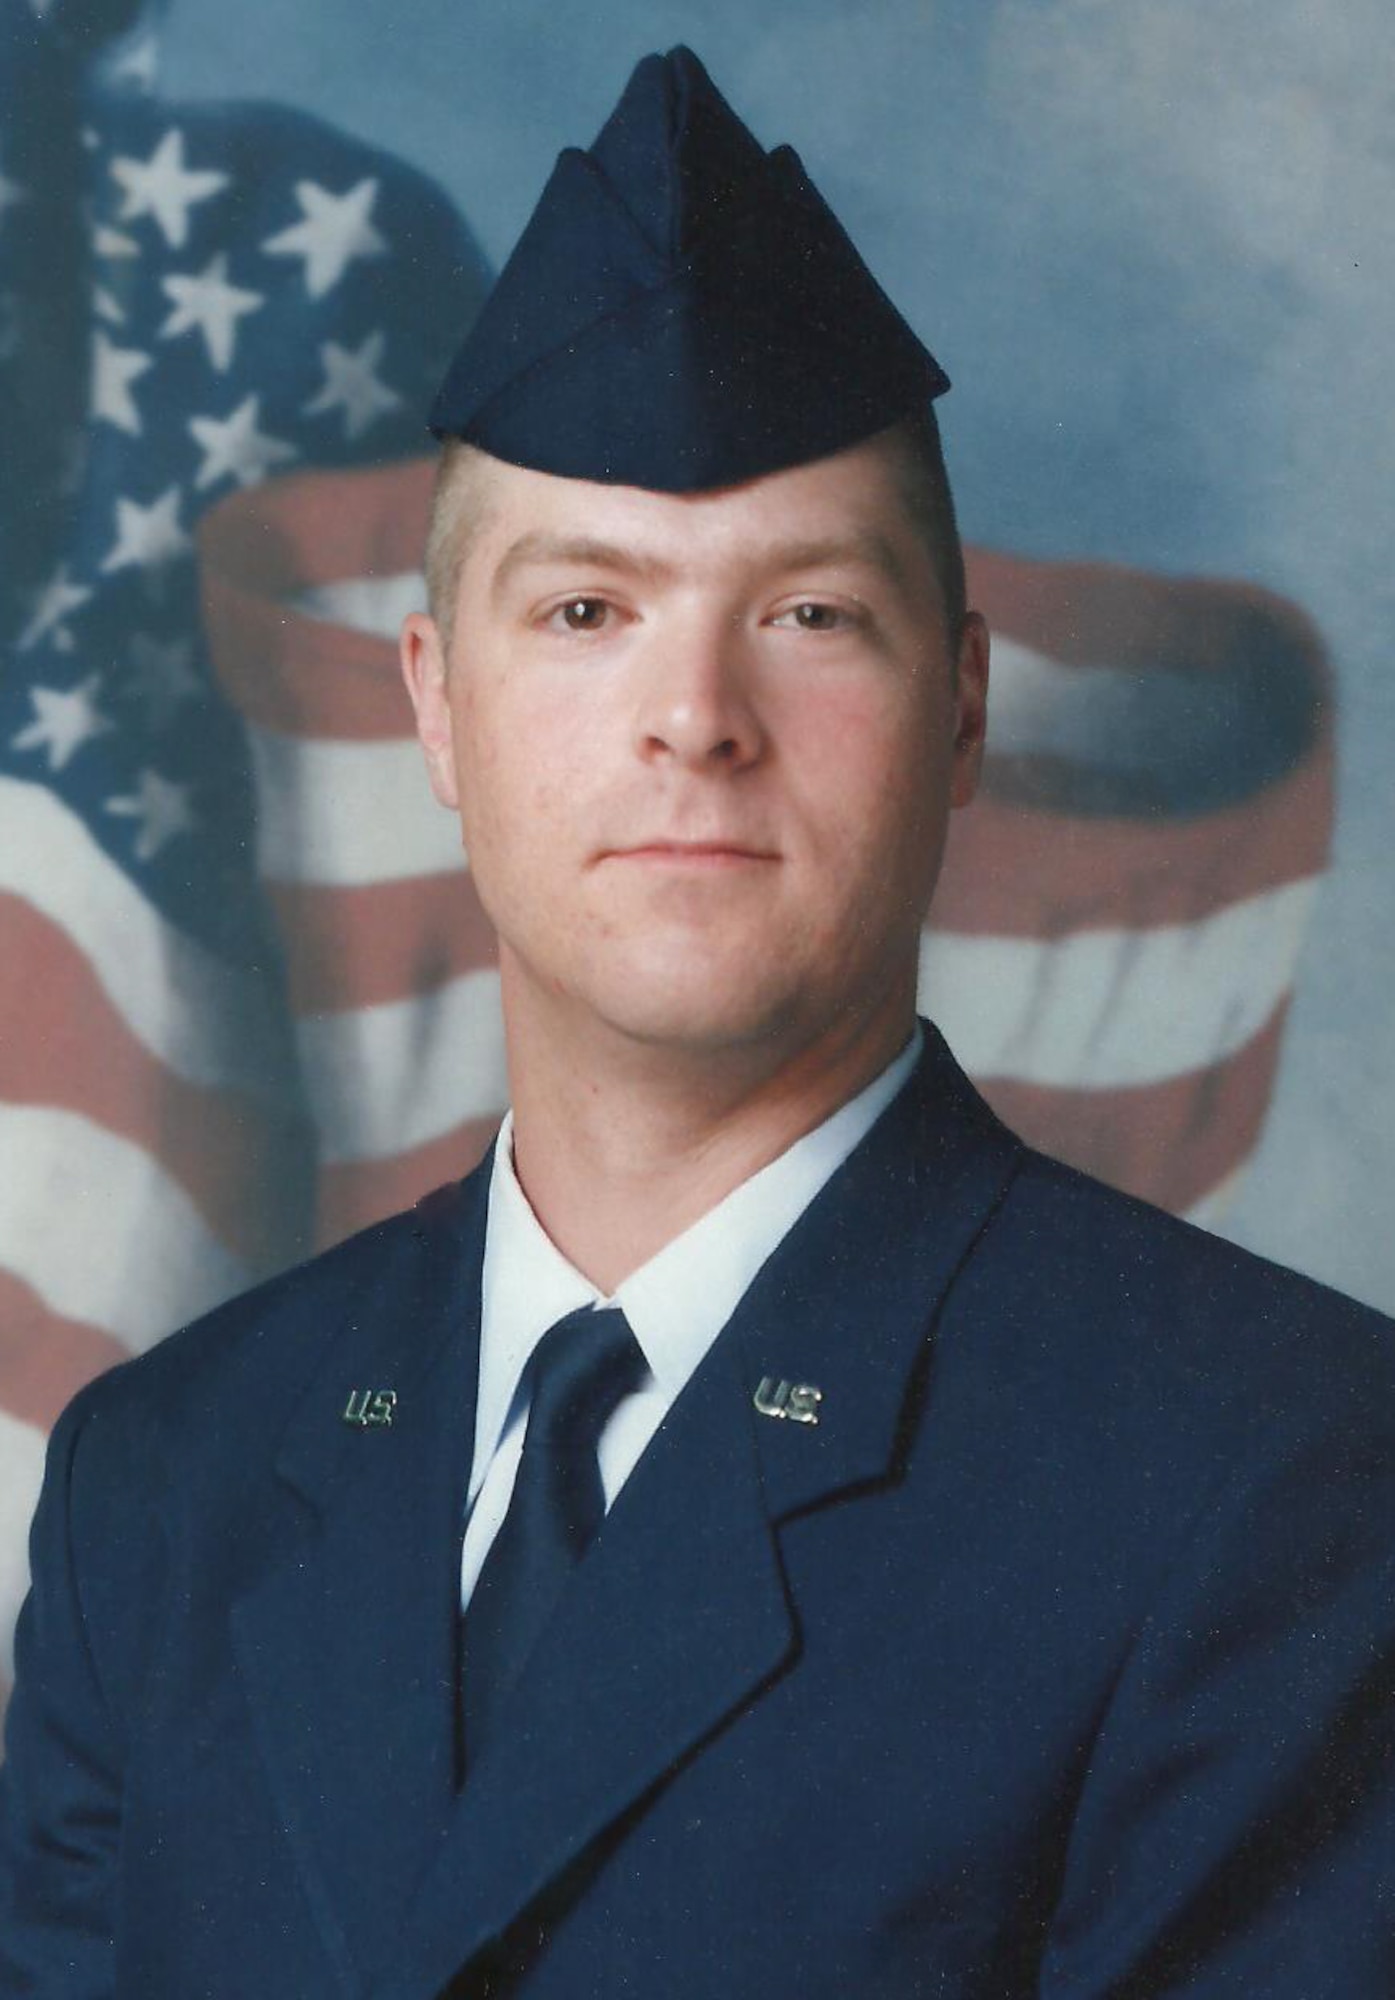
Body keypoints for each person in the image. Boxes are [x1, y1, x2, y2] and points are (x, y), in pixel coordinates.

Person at [3, 45, 1393, 1999]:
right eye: (585, 612)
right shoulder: (162, 1490)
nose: (695, 719)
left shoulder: (1274, 1479)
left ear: (964, 707)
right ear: (433, 708)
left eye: (810, 613)